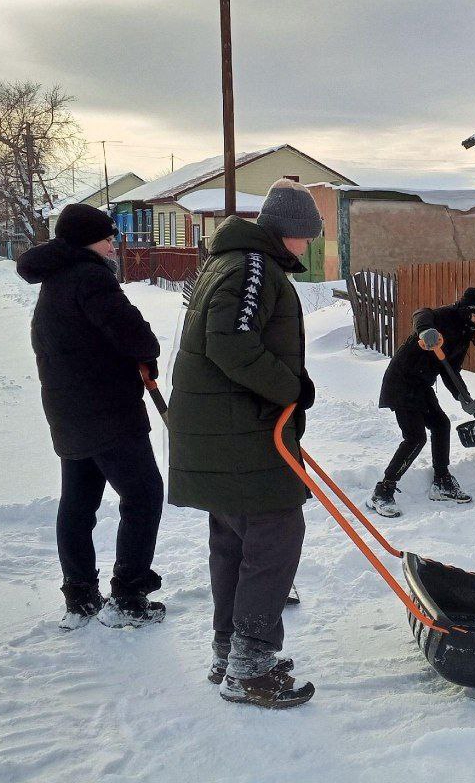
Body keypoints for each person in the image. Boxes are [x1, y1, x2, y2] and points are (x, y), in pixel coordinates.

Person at [167, 179, 320, 709]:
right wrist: (291, 389)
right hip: (239, 433)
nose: (309, 246)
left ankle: (230, 650)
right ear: (291, 233)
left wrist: (288, 392)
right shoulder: (253, 267)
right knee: (276, 534)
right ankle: (250, 666)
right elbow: (229, 342)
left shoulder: (233, 263)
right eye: (308, 236)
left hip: (227, 431)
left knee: (234, 540)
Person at [17, 203, 165, 630]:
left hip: (68, 410)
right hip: (107, 411)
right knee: (143, 495)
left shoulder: (56, 279)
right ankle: (128, 596)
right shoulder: (90, 277)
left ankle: (80, 597)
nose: (113, 244)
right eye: (107, 237)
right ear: (88, 241)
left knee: (79, 503)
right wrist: (146, 353)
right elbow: (133, 334)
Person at [368, 287, 475, 518]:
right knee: (415, 437)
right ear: (465, 311)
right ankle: (382, 491)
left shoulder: (464, 334)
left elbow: (450, 371)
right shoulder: (445, 316)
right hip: (402, 381)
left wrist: (463, 397)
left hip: (422, 385)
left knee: (441, 424)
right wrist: (426, 330)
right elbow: (421, 313)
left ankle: (442, 481)